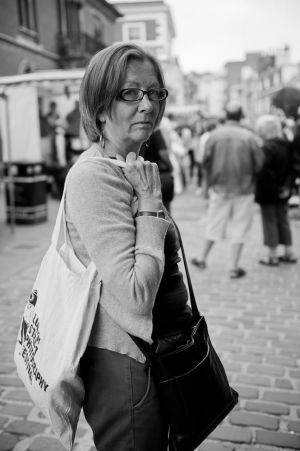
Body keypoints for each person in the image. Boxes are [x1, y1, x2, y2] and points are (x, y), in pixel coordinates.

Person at [65, 42, 193, 450]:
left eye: (155, 93)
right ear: (101, 106)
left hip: (154, 352)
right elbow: (136, 295)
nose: (148, 105)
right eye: (130, 93)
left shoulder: (132, 167)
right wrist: (152, 207)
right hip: (128, 361)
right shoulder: (95, 177)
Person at [191, 103, 264, 279]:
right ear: (240, 116)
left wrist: (207, 186)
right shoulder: (250, 136)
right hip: (244, 187)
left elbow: (203, 162)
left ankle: (202, 257)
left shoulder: (214, 136)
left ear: (227, 115)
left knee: (214, 223)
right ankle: (233, 266)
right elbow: (260, 163)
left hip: (219, 187)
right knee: (240, 227)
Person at [255, 114, 297, 265]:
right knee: (283, 220)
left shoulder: (266, 148)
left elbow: (263, 170)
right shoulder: (287, 144)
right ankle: (289, 252)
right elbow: (294, 167)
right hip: (284, 189)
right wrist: (287, 187)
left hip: (269, 190)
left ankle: (272, 255)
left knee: (270, 221)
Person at [140, 127, 174, 212]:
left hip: (142, 173)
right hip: (158, 174)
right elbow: (163, 153)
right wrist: (171, 167)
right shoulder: (155, 130)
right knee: (165, 209)